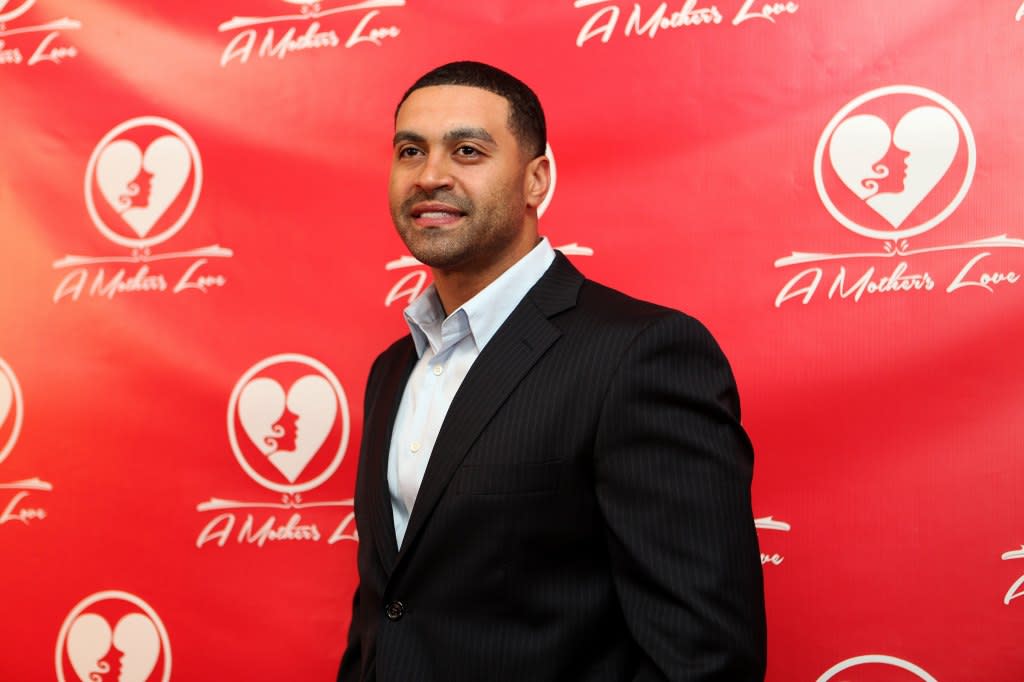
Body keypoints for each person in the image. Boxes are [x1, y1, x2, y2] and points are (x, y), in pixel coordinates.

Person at [339, 61, 766, 682]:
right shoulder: (393, 369)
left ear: (536, 179)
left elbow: (704, 657)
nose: (431, 175)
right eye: (411, 150)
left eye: (467, 150)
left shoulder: (640, 354)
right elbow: (387, 612)